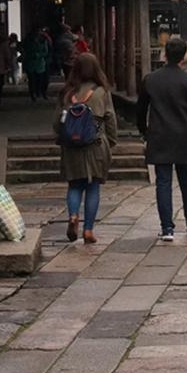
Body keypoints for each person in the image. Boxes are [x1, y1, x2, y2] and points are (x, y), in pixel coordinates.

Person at [137, 36, 187, 241]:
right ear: (183, 57)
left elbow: (141, 110)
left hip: (159, 135)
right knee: (186, 179)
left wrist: (144, 132)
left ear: (165, 54)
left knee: (163, 182)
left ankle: (167, 227)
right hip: (185, 136)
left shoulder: (150, 79)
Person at [56, 53, 117, 244]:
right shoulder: (101, 92)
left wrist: (62, 139)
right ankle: (88, 229)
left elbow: (57, 122)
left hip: (72, 147)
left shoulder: (67, 93)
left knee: (74, 185)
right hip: (95, 144)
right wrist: (111, 141)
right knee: (93, 187)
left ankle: (73, 215)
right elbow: (110, 118)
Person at [22, 26, 52, 102]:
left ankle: (39, 92)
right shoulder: (28, 40)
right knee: (32, 80)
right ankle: (33, 94)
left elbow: (46, 51)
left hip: (40, 63)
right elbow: (24, 49)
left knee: (40, 79)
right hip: (30, 62)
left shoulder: (43, 40)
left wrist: (39, 55)